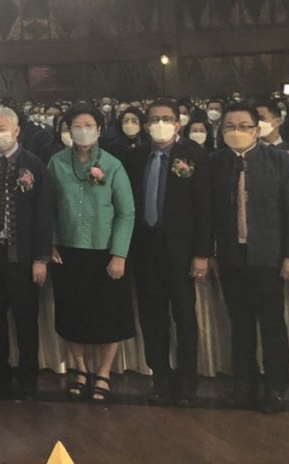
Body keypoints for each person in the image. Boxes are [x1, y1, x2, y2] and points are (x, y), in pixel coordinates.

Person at [210, 102, 289, 414]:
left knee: (272, 324)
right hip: (231, 256)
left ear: (256, 129)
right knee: (240, 325)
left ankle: (276, 387)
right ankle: (243, 384)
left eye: (243, 126)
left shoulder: (280, 161)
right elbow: (206, 213)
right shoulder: (214, 163)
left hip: (268, 256)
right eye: (229, 126)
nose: (236, 131)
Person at [121, 100, 211, 406]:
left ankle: (187, 382)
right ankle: (160, 377)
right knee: (152, 317)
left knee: (184, 316)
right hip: (145, 248)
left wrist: (201, 253)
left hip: (181, 251)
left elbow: (204, 209)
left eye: (167, 118)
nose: (160, 124)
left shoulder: (194, 157)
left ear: (178, 124)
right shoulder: (134, 158)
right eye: (155, 119)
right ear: (146, 126)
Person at [47, 105, 135, 404]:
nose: (82, 130)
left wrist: (119, 254)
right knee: (72, 313)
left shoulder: (113, 165)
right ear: (68, 130)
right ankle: (81, 369)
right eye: (76, 125)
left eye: (88, 125)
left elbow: (126, 212)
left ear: (99, 129)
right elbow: (47, 207)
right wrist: (50, 243)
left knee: (109, 315)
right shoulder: (57, 163)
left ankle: (104, 372)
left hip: (104, 251)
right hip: (67, 250)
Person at [0, 107, 52, 398]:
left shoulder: (33, 164)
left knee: (25, 319)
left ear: (16, 131)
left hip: (23, 256)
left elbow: (44, 213)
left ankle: (28, 378)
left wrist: (41, 258)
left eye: (2, 129)